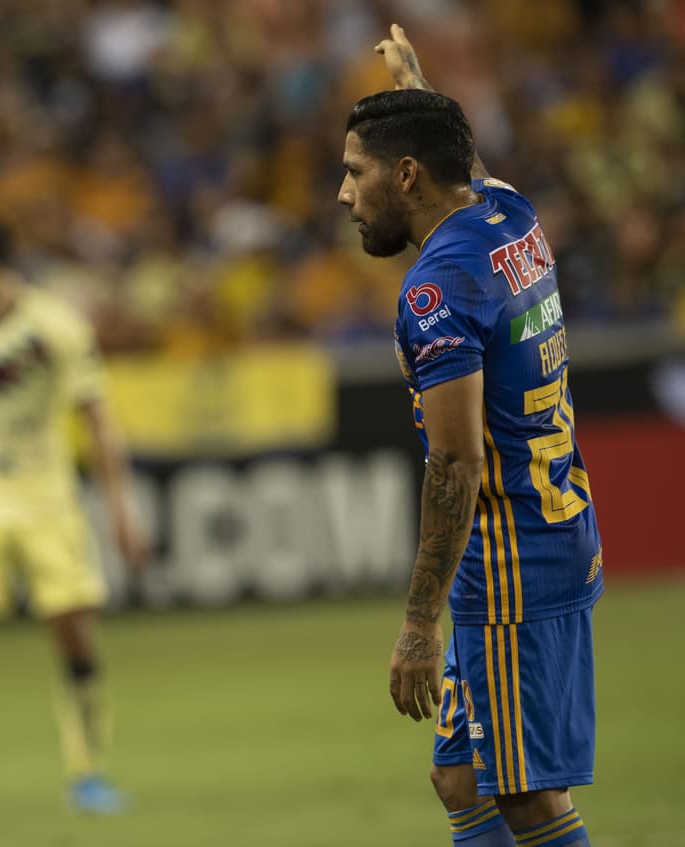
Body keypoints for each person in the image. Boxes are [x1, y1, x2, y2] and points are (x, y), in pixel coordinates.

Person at [338, 26, 601, 847]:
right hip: (545, 529)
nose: (343, 194)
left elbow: (455, 460)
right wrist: (416, 87)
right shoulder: (507, 211)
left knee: (528, 799)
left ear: (404, 175)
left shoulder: (438, 289)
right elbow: (465, 165)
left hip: (513, 564)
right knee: (459, 776)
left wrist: (419, 624)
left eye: (355, 171)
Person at [0, 220, 147, 815]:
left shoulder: (57, 325)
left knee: (75, 637)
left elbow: (96, 417)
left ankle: (88, 773)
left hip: (49, 502)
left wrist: (121, 508)